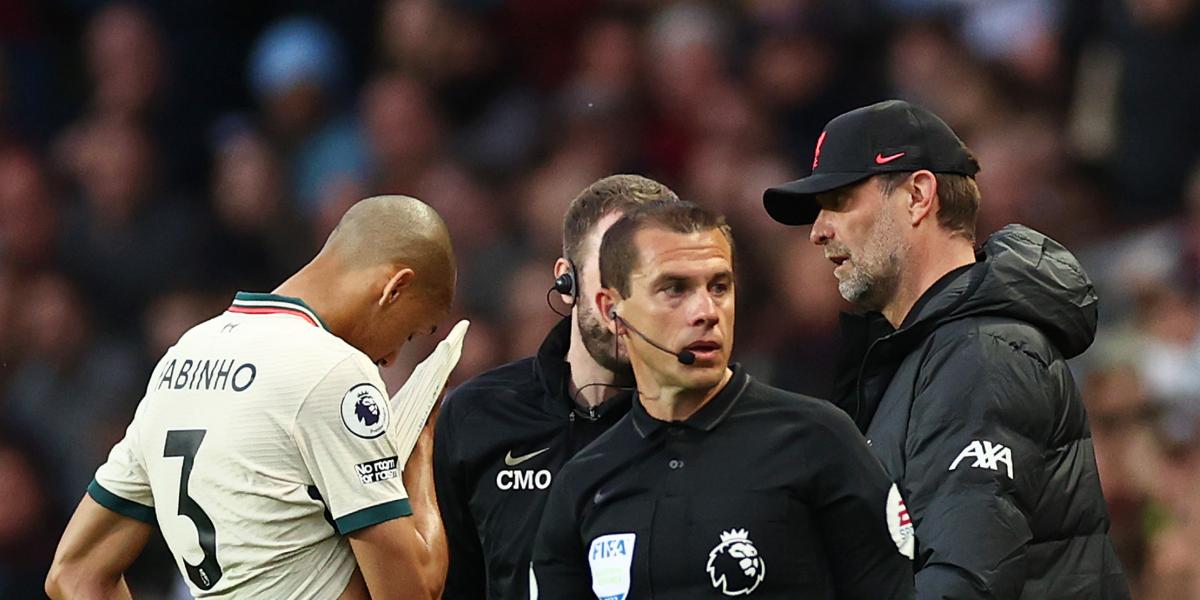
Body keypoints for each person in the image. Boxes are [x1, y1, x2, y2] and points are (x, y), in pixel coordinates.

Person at [762, 99, 1131, 598]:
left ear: (917, 196)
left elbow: (964, 579)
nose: (818, 231)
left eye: (840, 200)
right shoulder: (923, 355)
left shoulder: (980, 353)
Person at [46, 195, 456, 600]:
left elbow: (75, 573)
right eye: (410, 334)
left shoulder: (183, 355)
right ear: (394, 288)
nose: (390, 359)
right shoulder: (335, 370)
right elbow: (412, 593)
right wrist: (421, 441)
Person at [533, 200, 915, 599]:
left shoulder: (819, 441)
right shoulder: (584, 483)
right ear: (612, 310)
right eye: (675, 288)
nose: (707, 311)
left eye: (719, 287)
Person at [434, 174, 679, 599]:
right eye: (615, 269)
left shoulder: (707, 424)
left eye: (657, 278)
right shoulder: (476, 416)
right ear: (567, 281)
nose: (632, 300)